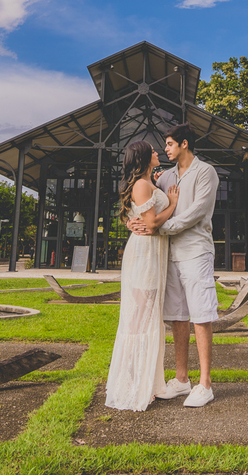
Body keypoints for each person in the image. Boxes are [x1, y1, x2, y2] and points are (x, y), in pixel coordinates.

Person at [129, 122, 220, 408]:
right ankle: (182, 380)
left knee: (201, 314)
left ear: (183, 144)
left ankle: (205, 384)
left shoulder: (206, 172)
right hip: (168, 255)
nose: (165, 148)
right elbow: (147, 207)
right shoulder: (164, 177)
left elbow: (196, 212)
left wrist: (159, 229)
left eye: (169, 144)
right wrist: (134, 222)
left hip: (196, 251)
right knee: (177, 316)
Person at [104, 139, 179, 411]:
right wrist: (171, 202)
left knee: (147, 317)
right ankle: (135, 384)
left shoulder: (147, 183)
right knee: (141, 319)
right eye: (154, 151)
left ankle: (145, 381)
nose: (158, 152)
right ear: (145, 157)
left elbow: (136, 215)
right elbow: (151, 223)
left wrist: (158, 189)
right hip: (146, 254)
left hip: (151, 251)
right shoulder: (141, 185)